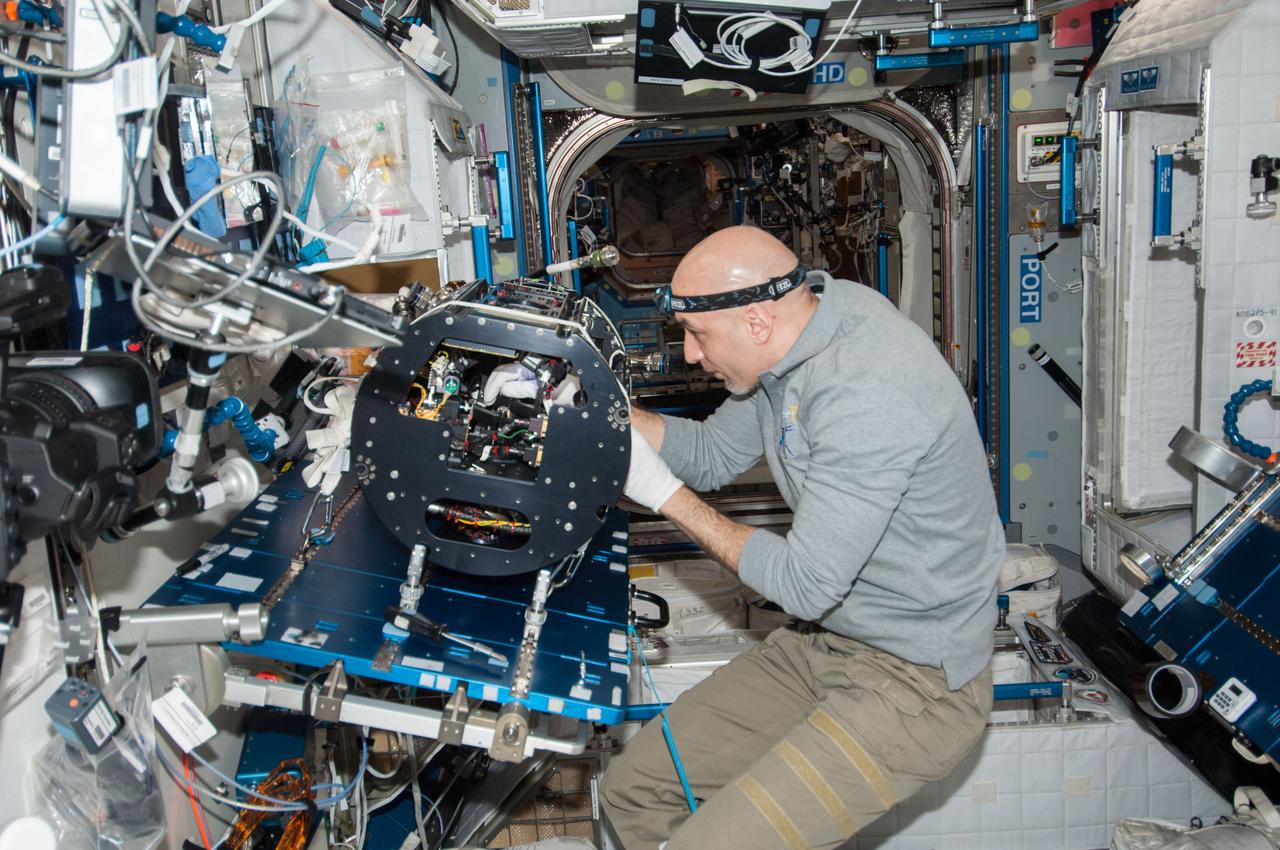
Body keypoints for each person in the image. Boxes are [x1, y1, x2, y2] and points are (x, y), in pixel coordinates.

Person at [605, 225, 1004, 850]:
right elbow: (710, 454)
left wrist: (664, 499)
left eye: (698, 334)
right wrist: (596, 412)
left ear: (757, 321)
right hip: (831, 645)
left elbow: (806, 584)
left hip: (915, 686)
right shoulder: (802, 331)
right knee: (632, 788)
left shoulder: (868, 388)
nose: (688, 354)